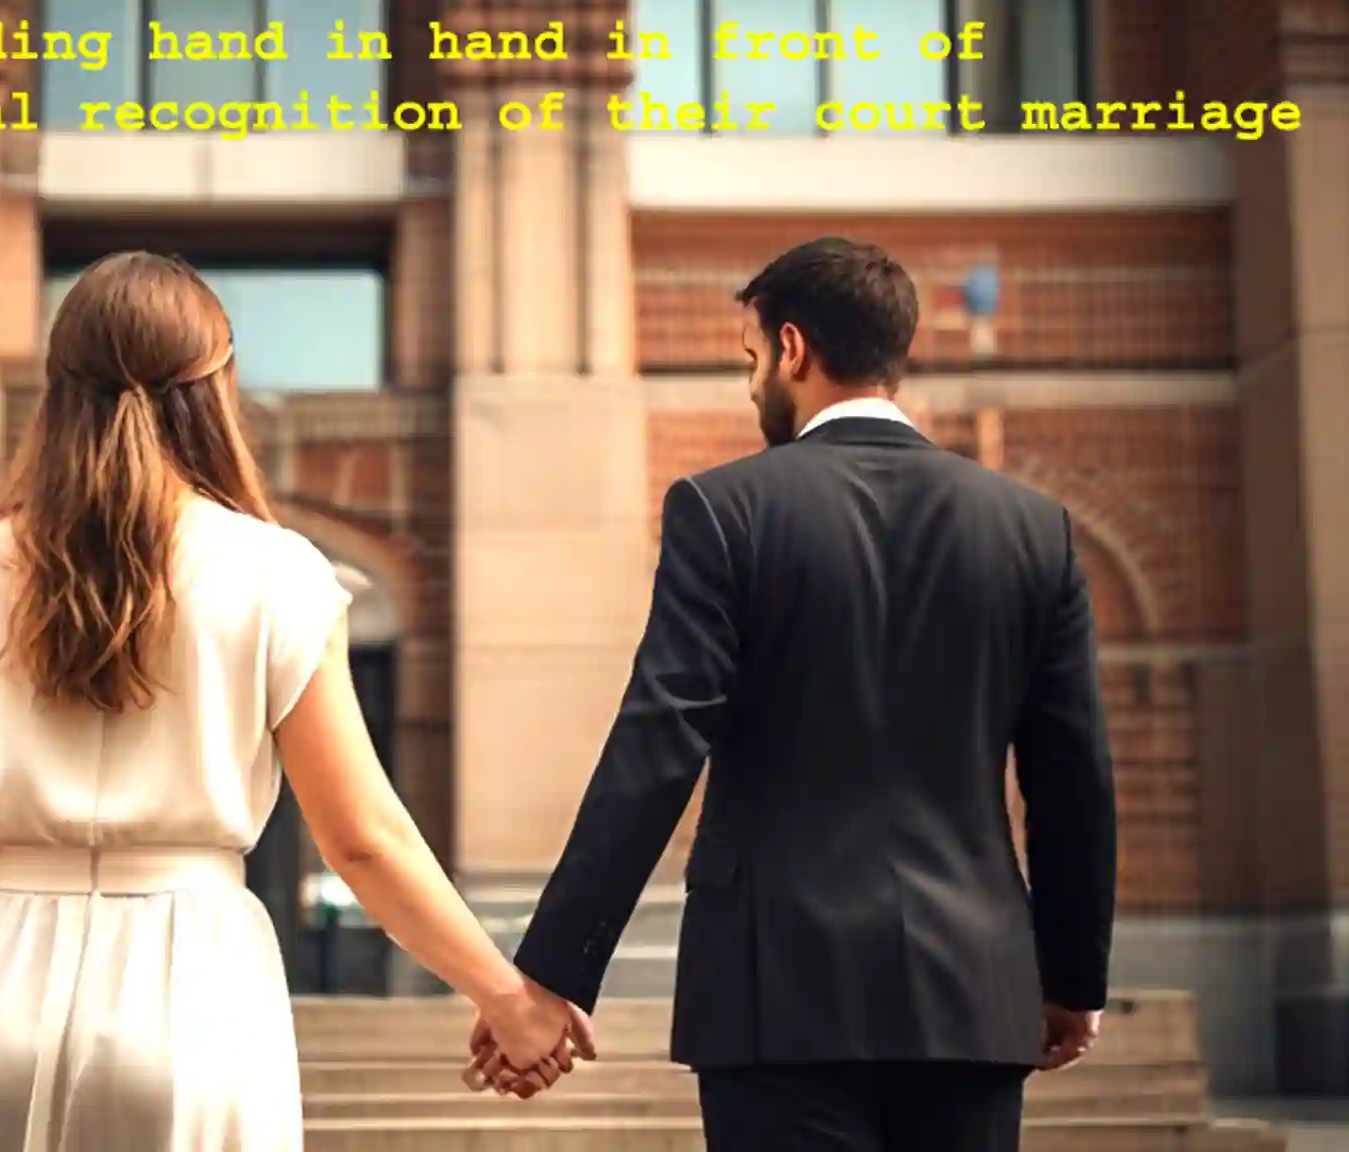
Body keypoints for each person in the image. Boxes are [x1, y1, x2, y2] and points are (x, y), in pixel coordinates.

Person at [0, 251, 591, 1152]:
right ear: (218, 385)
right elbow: (361, 839)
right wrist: (507, 997)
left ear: (56, 387)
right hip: (195, 1000)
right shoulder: (278, 574)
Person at [470, 238, 1119, 1150]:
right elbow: (1072, 775)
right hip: (971, 993)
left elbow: (657, 746)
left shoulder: (724, 510)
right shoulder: (1031, 529)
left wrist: (553, 974)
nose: (751, 385)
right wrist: (1073, 975)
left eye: (750, 361)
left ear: (792, 349)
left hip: (775, 997)